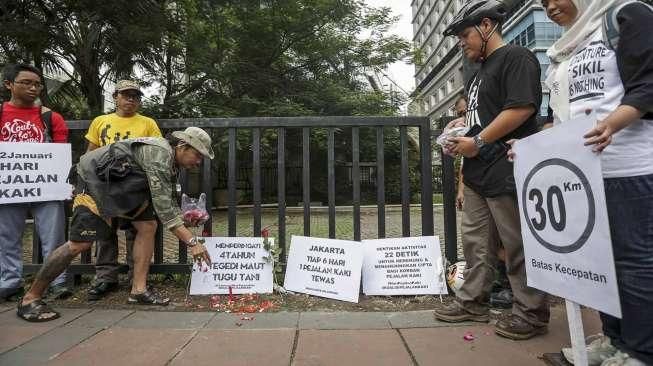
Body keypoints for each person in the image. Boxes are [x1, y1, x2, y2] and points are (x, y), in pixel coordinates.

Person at [539, 0, 653, 364]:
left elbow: (648, 83)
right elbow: (557, 113)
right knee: (601, 263)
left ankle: (642, 351)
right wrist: (531, 148)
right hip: (583, 175)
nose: (550, 6)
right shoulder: (562, 50)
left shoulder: (627, 14)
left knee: (634, 263)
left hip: (629, 168)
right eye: (542, 3)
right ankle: (615, 340)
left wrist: (614, 123)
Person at [433, 0, 549, 340]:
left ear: (486, 26)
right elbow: (486, 115)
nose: (461, 43)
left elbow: (522, 109)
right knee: (476, 244)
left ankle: (530, 313)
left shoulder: (517, 57)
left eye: (464, 35)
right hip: (477, 173)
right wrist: (463, 126)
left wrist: (479, 140)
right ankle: (472, 302)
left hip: (507, 168)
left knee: (516, 246)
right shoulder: (478, 72)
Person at [16, 127, 214, 322]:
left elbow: (167, 203)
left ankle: (138, 290)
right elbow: (165, 210)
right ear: (182, 146)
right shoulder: (159, 153)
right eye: (197, 155)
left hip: (119, 186)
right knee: (79, 244)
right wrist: (192, 241)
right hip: (93, 182)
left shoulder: (171, 161)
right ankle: (30, 298)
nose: (198, 162)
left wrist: (184, 219)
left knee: (148, 226)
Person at [84, 80, 162, 301]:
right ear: (115, 96)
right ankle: (105, 278)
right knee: (105, 232)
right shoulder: (100, 121)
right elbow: (91, 152)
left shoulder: (148, 123)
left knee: (135, 232)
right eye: (126, 95)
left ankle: (135, 277)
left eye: (135, 96)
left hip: (135, 184)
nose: (131, 99)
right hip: (105, 183)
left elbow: (156, 151)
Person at [0, 64, 72, 301]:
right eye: (26, 83)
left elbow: (60, 155)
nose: (33, 88)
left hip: (47, 186)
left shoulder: (51, 118)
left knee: (54, 237)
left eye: (37, 84)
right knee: (7, 237)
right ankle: (10, 282)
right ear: (8, 84)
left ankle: (57, 282)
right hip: (9, 187)